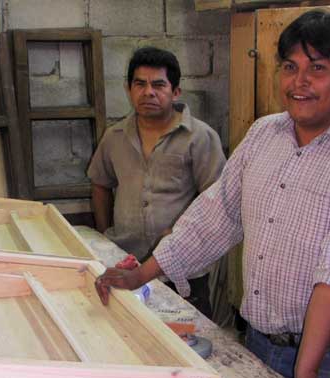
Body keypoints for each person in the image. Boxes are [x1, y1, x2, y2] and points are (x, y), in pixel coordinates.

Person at [93, 10, 330, 378]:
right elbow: (215, 215)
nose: (299, 82)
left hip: (329, 358)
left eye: (317, 68)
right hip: (258, 342)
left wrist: (306, 371)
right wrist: (142, 275)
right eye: (290, 67)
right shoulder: (265, 134)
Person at [87, 47, 226, 318]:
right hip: (124, 261)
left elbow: (215, 200)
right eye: (140, 84)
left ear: (175, 92)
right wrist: (106, 236)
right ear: (128, 89)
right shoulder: (114, 136)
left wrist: (176, 234)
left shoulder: (199, 137)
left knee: (189, 341)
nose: (148, 92)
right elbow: (100, 184)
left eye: (158, 85)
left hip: (182, 270)